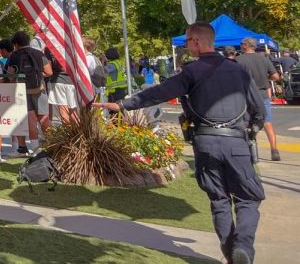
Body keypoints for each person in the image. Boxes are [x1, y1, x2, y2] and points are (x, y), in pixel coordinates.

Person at [96, 22, 266, 264]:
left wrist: (123, 105)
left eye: (187, 42)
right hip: (236, 141)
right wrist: (254, 128)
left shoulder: (191, 71)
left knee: (219, 200)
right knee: (248, 198)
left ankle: (231, 254)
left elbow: (158, 92)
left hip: (205, 142)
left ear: (197, 42)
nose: (186, 46)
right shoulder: (237, 70)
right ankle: (244, 247)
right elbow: (258, 109)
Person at [5, 31, 50, 155]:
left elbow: (10, 76)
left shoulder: (13, 56)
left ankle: (33, 149)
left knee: (30, 120)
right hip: (40, 89)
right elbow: (49, 72)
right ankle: (52, 144)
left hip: (22, 92)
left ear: (16, 44)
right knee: (44, 119)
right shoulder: (39, 53)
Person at [235, 38, 281, 161]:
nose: (240, 46)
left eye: (241, 44)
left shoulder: (239, 60)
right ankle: (274, 150)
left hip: (246, 95)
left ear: (245, 45)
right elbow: (276, 76)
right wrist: (266, 78)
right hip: (262, 94)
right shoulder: (264, 59)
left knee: (246, 122)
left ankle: (250, 151)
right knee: (267, 122)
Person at [44, 46, 77, 125]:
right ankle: (77, 135)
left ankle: (69, 136)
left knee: (63, 110)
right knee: (73, 110)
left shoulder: (49, 47)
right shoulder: (70, 44)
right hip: (72, 80)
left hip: (58, 80)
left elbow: (49, 69)